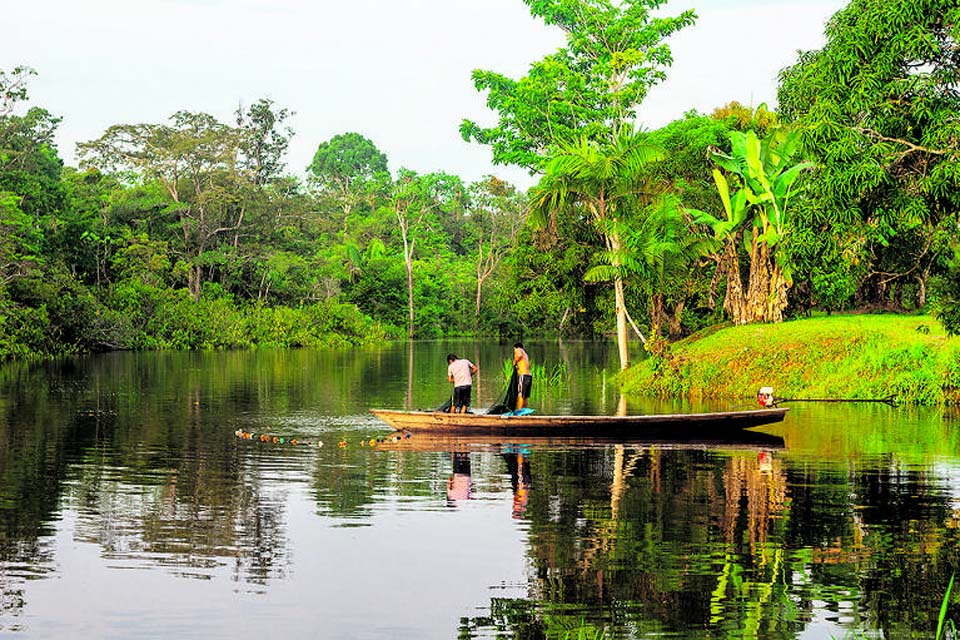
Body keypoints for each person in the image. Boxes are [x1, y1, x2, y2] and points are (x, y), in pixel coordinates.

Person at [512, 342, 531, 411]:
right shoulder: (525, 354)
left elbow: (519, 355)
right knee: (525, 396)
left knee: (520, 394)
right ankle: (524, 412)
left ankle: (519, 413)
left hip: (523, 375)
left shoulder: (518, 350)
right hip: (528, 376)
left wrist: (514, 362)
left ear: (515, 347)